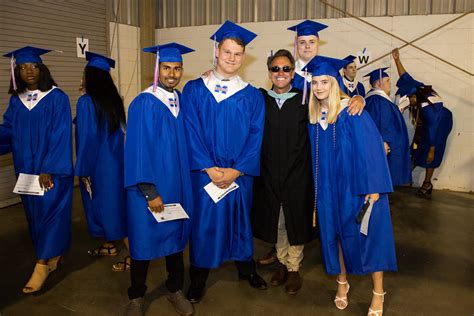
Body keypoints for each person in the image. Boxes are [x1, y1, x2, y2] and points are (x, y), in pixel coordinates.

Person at [181, 20, 267, 303]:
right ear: (217, 52)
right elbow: (190, 129)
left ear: (244, 57)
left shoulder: (252, 95)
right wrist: (208, 167)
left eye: (237, 54)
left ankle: (246, 269)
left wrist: (237, 169)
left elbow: (256, 136)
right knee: (204, 225)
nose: (231, 58)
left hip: (238, 175)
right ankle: (198, 278)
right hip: (205, 173)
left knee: (240, 221)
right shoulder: (194, 89)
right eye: (227, 52)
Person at [306, 55, 397, 315]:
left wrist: (374, 187)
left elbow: (372, 150)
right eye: (315, 82)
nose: (320, 87)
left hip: (356, 188)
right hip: (327, 190)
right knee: (336, 236)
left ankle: (378, 292)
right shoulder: (315, 116)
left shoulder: (352, 111)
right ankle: (342, 283)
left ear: (335, 83)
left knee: (370, 238)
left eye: (325, 81)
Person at [123, 43, 195, 316]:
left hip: (176, 184)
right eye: (166, 68)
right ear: (156, 69)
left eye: (177, 68)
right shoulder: (144, 102)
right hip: (149, 188)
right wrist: (149, 191)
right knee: (143, 242)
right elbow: (138, 149)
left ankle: (175, 289)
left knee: (175, 241)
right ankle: (136, 296)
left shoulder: (180, 100)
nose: (172, 74)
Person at [0, 46, 73, 293]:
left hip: (50, 173)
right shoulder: (16, 101)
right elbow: (7, 131)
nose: (28, 71)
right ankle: (53, 254)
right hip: (26, 173)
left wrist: (49, 167)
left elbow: (61, 134)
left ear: (42, 69)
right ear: (16, 72)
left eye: (33, 66)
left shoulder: (57, 98)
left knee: (51, 214)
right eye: (22, 67)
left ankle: (42, 264)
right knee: (34, 217)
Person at [251, 49, 314, 295]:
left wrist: (357, 99)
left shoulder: (304, 98)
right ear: (269, 72)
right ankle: (281, 262)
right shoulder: (260, 98)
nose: (281, 73)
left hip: (297, 171)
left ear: (293, 72)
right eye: (275, 68)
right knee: (277, 220)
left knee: (294, 219)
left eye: (286, 69)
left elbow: (332, 103)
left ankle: (294, 268)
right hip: (269, 171)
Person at [74, 52, 130, 270]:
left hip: (98, 166)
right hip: (116, 165)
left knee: (108, 211)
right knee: (114, 207)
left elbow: (87, 138)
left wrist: (83, 170)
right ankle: (109, 246)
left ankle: (135, 256)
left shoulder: (86, 102)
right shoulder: (114, 101)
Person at [392, 48, 453, 197]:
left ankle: (427, 183)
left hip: (441, 123)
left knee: (431, 153)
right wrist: (397, 60)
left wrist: (431, 149)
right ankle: (405, 177)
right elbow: (404, 76)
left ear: (413, 97)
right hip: (429, 123)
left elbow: (433, 129)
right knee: (417, 148)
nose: (409, 105)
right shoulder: (415, 87)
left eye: (410, 101)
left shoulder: (429, 107)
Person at [364, 67, 412, 187]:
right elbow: (382, 122)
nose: (390, 84)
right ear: (379, 83)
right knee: (381, 178)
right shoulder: (378, 100)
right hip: (385, 147)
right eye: (388, 81)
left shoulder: (374, 99)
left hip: (381, 145)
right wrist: (384, 142)